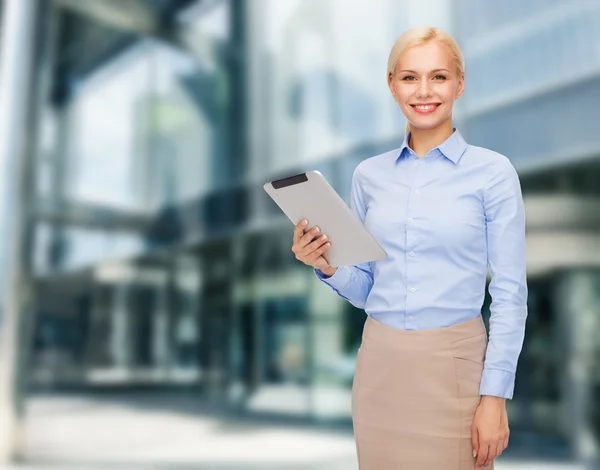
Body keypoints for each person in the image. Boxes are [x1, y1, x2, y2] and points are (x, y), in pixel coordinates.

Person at [291, 26, 527, 469]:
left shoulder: (493, 173)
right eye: (409, 77)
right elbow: (369, 287)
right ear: (391, 84)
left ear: (459, 84)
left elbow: (511, 294)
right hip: (380, 366)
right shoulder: (368, 176)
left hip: (455, 368)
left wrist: (495, 397)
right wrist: (325, 265)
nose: (424, 91)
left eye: (438, 77)